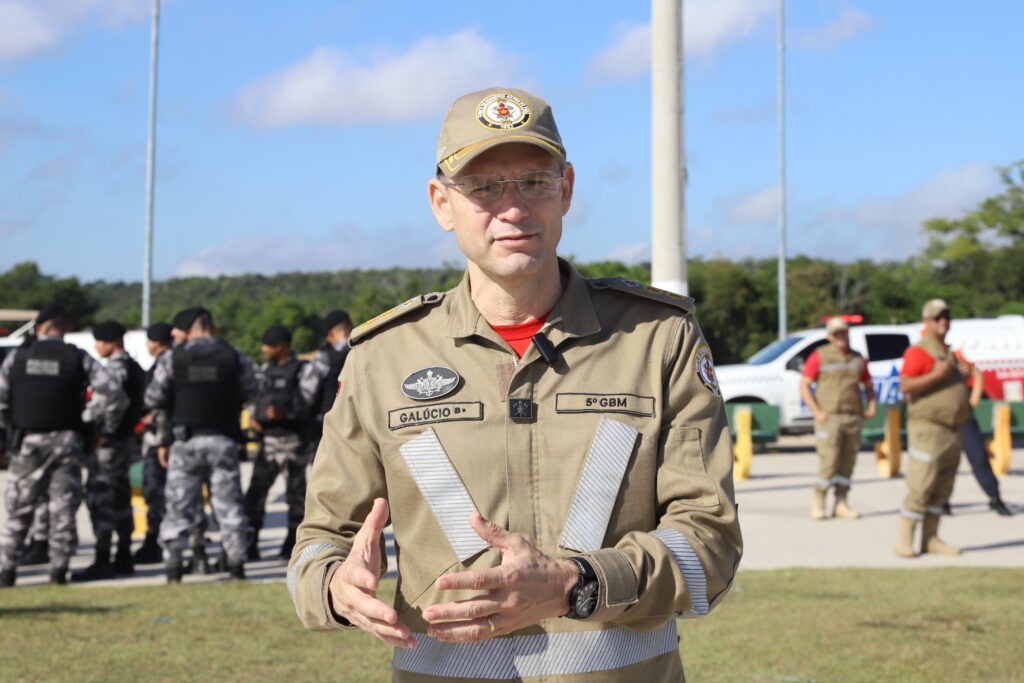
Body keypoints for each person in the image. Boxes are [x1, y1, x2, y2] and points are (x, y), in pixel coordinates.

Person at [288, 87, 742, 682]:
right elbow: (320, 539)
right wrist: (334, 585)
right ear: (441, 204)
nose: (513, 208)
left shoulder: (658, 338)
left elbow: (709, 540)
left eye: (534, 181)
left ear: (567, 190)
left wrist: (579, 584)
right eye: (483, 187)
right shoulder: (383, 356)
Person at [0, 305, 128, 587]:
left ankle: (7, 571)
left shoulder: (18, 357)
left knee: (19, 507)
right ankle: (59, 571)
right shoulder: (77, 357)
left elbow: (2, 399)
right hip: (68, 441)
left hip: (28, 441)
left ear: (40, 328)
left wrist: (8, 432)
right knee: (63, 508)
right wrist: (96, 425)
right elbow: (114, 395)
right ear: (64, 328)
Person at [145, 307, 255, 582]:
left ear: (190, 328)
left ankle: (173, 568)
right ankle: (236, 564)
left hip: (185, 443)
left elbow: (153, 397)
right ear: (211, 326)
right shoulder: (233, 355)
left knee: (179, 507)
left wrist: (163, 438)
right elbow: (255, 389)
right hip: (223, 439)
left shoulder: (173, 357)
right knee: (229, 506)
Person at [895, 298, 970, 558]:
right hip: (928, 428)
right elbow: (905, 385)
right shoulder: (919, 351)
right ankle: (905, 539)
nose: (944, 322)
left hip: (952, 429)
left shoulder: (947, 352)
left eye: (947, 317)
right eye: (938, 317)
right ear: (926, 321)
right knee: (921, 484)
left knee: (942, 489)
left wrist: (963, 374)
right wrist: (937, 375)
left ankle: (931, 539)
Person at [72, 320, 146, 581]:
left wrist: (103, 432)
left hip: (109, 445)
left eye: (99, 341)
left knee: (101, 499)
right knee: (122, 499)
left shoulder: (115, 370)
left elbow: (114, 402)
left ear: (112, 342)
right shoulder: (135, 367)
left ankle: (103, 559)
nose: (96, 346)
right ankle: (123, 555)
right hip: (126, 443)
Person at [798, 317, 877, 520]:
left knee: (847, 463)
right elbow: (804, 385)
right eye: (836, 333)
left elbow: (868, 385)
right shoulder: (820, 356)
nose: (840, 337)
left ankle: (841, 503)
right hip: (829, 418)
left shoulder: (857, 358)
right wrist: (817, 411)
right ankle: (819, 501)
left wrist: (872, 406)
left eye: (843, 332)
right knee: (829, 461)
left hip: (852, 418)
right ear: (829, 336)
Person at [244, 324, 311, 561]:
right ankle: (249, 544)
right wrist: (256, 417)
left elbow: (308, 404)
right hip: (269, 442)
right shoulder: (265, 371)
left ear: (281, 347)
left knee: (296, 498)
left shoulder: (302, 370)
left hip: (293, 443)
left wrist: (286, 413)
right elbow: (256, 398)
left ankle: (292, 545)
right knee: (254, 495)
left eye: (267, 345)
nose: (263, 349)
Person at [951, 349, 1013, 516]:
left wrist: (973, 402)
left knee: (978, 457)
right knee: (942, 462)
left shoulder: (953, 356)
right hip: (939, 416)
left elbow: (977, 374)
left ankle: (995, 497)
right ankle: (940, 501)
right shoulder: (924, 355)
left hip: (963, 415)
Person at [133, 321, 173, 564]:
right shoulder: (178, 360)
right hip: (172, 439)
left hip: (161, 442)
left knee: (156, 493)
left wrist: (152, 419)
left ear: (157, 342)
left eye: (149, 341)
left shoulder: (163, 366)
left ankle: (154, 542)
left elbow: (159, 402)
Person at [299, 309, 352, 451]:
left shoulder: (323, 359)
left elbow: (305, 396)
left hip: (327, 430)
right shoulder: (363, 352)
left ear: (330, 334)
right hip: (358, 428)